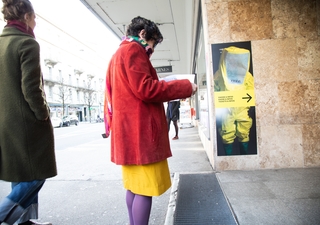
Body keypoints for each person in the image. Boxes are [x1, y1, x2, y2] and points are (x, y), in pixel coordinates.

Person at [104, 16, 197, 225]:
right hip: (141, 135)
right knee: (145, 190)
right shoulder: (134, 50)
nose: (152, 50)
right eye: (153, 43)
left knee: (134, 187)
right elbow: (146, 89)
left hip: (128, 134)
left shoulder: (118, 54)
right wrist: (184, 87)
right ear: (143, 34)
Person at [0, 1, 57, 225]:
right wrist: (43, 113)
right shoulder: (27, 43)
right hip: (26, 121)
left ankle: (24, 221)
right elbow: (32, 88)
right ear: (27, 17)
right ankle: (3, 215)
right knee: (36, 174)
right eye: (34, 17)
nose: (36, 22)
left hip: (5, 121)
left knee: (20, 172)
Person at [214, 46, 254, 155]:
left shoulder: (246, 75)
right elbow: (215, 90)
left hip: (242, 108)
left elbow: (251, 90)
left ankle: (244, 157)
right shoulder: (219, 75)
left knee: (244, 132)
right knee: (227, 133)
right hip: (227, 110)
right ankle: (229, 160)